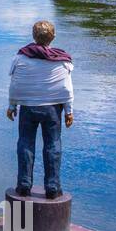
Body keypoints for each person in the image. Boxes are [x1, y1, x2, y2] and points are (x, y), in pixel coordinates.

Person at [7, 20, 75, 198]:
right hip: (52, 110)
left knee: (25, 144)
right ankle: (53, 188)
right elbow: (66, 89)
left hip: (28, 108)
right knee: (53, 146)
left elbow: (15, 85)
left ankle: (23, 186)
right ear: (53, 37)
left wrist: (12, 105)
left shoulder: (20, 58)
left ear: (33, 36)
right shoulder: (62, 61)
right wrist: (69, 111)